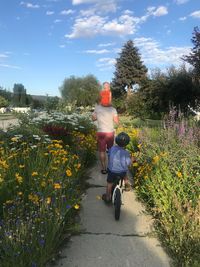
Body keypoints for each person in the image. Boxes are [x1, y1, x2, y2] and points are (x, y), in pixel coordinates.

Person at [102, 132, 134, 203]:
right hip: (122, 172)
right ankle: (127, 185)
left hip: (112, 171)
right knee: (125, 174)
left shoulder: (112, 148)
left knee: (109, 183)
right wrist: (132, 159)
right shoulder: (126, 153)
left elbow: (109, 154)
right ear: (127, 143)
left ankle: (107, 197)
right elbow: (128, 163)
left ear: (116, 140)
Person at [92, 99, 119, 174]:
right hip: (110, 133)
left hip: (101, 132)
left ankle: (104, 169)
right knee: (110, 150)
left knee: (101, 151)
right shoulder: (113, 109)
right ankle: (110, 168)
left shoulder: (97, 108)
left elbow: (93, 118)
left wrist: (100, 117)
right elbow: (116, 121)